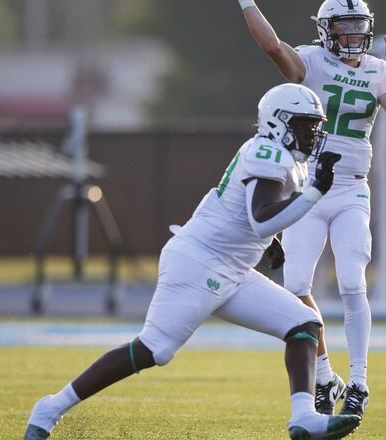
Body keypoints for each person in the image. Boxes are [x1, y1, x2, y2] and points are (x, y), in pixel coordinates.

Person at [24, 83, 363, 440]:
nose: (313, 134)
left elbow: (249, 214)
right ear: (278, 123)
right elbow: (261, 217)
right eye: (304, 125)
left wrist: (271, 241)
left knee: (304, 323)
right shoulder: (268, 152)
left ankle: (304, 418)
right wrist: (314, 194)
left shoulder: (281, 156)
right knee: (155, 348)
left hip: (231, 266)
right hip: (201, 261)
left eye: (315, 125)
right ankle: (50, 408)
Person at [239, 0, 386, 418]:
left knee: (353, 281)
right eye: (345, 27)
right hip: (310, 189)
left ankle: (358, 381)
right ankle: (323, 374)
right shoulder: (312, 60)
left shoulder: (376, 68)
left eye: (359, 26)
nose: (354, 35)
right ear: (325, 30)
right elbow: (270, 45)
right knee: (297, 284)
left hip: (352, 189)